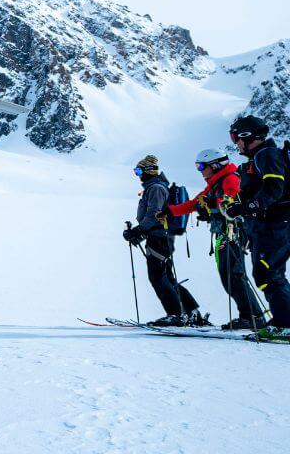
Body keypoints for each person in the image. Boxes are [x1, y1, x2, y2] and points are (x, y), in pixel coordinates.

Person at [162, 148, 264, 330]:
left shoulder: (230, 179)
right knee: (230, 275)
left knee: (233, 275)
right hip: (225, 232)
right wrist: (171, 211)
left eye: (201, 166)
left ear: (215, 165)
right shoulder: (216, 182)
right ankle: (251, 316)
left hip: (234, 232)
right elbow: (195, 203)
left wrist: (210, 205)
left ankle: (252, 317)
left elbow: (232, 202)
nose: (199, 170)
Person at [222, 115, 290, 338]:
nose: (235, 143)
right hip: (269, 224)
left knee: (268, 272)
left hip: (275, 224)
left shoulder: (266, 154)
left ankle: (285, 323)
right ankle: (284, 319)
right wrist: (236, 205)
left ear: (246, 136)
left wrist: (248, 206)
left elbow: (273, 188)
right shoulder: (258, 159)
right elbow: (255, 191)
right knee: (270, 272)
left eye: (235, 137)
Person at [123, 154, 206, 326]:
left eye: (138, 170)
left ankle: (175, 315)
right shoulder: (154, 187)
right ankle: (191, 312)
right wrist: (140, 233)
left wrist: (138, 230)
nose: (137, 174)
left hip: (160, 238)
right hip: (158, 237)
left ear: (148, 171)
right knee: (166, 277)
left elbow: (154, 214)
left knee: (158, 277)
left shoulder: (156, 189)